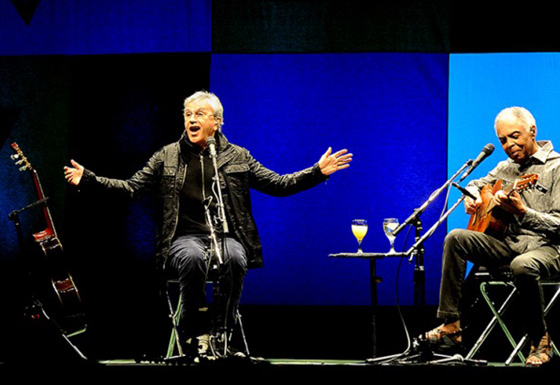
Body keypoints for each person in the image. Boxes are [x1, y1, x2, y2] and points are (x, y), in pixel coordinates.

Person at [64, 90, 353, 357]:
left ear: (217, 122)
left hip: (224, 236)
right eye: (188, 113)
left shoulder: (237, 156)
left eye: (199, 114)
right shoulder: (167, 156)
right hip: (182, 239)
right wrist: (90, 179)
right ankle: (194, 334)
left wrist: (317, 172)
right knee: (192, 257)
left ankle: (221, 335)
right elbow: (131, 187)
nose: (191, 119)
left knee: (236, 257)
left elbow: (277, 184)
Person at [424, 106, 560, 366]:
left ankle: (540, 339)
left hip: (552, 249)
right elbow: (475, 184)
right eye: (503, 140)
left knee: (523, 264)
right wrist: (472, 198)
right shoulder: (505, 168)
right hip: (510, 245)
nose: (509, 144)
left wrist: (522, 213)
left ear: (533, 131)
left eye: (515, 136)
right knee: (455, 237)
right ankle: (451, 325)